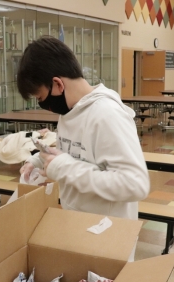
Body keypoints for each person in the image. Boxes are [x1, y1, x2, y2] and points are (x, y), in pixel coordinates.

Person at [17, 36, 150, 221]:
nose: (43, 104)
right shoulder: (69, 111)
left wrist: (63, 168)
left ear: (57, 84)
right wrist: (39, 161)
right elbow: (74, 154)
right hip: (77, 221)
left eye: (40, 98)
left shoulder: (107, 114)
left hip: (107, 232)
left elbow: (135, 184)